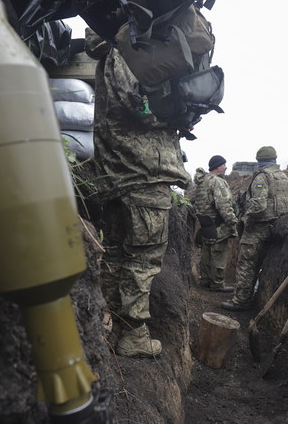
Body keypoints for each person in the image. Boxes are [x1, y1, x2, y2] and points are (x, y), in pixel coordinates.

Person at [86, 29, 191, 357]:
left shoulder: (112, 50)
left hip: (120, 172)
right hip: (144, 171)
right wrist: (178, 114)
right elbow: (138, 104)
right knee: (143, 259)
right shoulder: (127, 49)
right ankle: (133, 334)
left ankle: (113, 326)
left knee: (117, 254)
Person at [221, 146, 288, 311]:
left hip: (258, 227)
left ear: (259, 161)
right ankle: (253, 296)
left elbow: (259, 205)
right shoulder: (283, 177)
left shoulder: (262, 177)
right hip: (276, 226)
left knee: (246, 263)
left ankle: (241, 300)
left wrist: (244, 216)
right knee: (260, 265)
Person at [193, 155, 238, 293]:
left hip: (206, 225)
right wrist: (233, 221)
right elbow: (223, 205)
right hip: (218, 225)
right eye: (224, 165)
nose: (226, 167)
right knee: (219, 254)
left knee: (206, 253)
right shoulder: (217, 182)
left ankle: (205, 280)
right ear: (218, 166)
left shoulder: (202, 181)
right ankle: (217, 284)